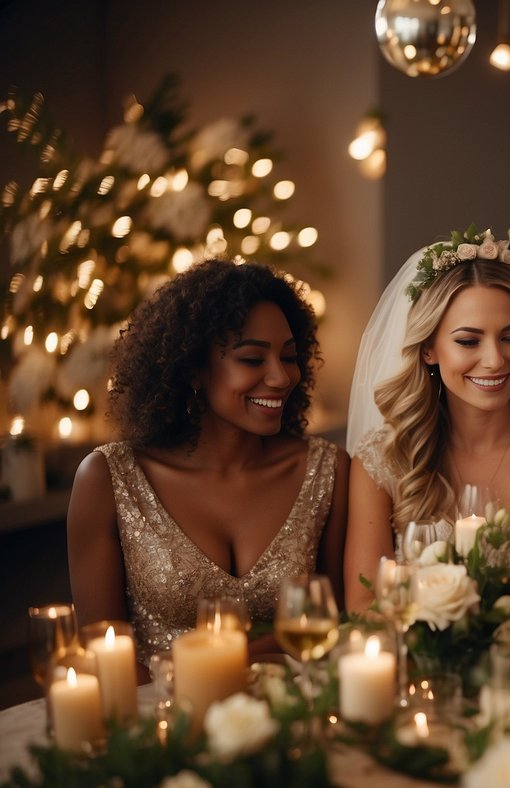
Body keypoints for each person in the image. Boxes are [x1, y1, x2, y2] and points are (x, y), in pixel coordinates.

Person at [67, 260, 349, 665]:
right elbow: (103, 657)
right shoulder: (108, 480)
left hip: (294, 717)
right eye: (252, 359)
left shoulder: (327, 471)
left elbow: (336, 625)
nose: (281, 377)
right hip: (159, 720)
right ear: (194, 368)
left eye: (289, 356)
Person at [344, 228, 510, 637]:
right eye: (468, 341)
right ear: (428, 349)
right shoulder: (383, 459)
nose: (494, 360)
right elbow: (364, 606)